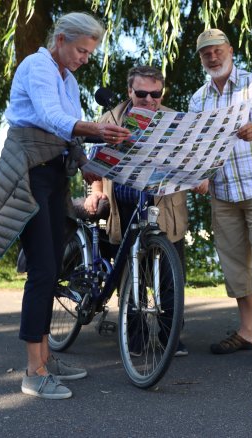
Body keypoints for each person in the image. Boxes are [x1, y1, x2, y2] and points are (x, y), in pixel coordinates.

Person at [0, 12, 132, 400]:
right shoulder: (36, 65)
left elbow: (66, 130)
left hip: (54, 174)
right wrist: (96, 129)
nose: (85, 58)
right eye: (81, 50)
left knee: (53, 267)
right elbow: (55, 119)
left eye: (90, 53)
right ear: (59, 39)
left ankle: (47, 360)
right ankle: (33, 371)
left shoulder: (67, 79)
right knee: (41, 270)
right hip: (30, 173)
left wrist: (88, 166)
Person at [188, 29, 252, 367]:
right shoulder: (198, 99)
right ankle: (247, 332)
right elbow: (198, 148)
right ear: (201, 59)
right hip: (222, 192)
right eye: (206, 54)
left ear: (230, 51)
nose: (213, 58)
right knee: (235, 266)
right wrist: (200, 175)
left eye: (218, 51)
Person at [78, 65, 193, 357]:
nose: (149, 100)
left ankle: (169, 338)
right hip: (125, 206)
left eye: (155, 94)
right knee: (130, 276)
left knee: (170, 278)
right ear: (130, 91)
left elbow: (189, 160)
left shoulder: (174, 120)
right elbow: (95, 165)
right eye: (141, 93)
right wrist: (97, 193)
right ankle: (136, 338)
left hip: (164, 207)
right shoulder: (111, 118)